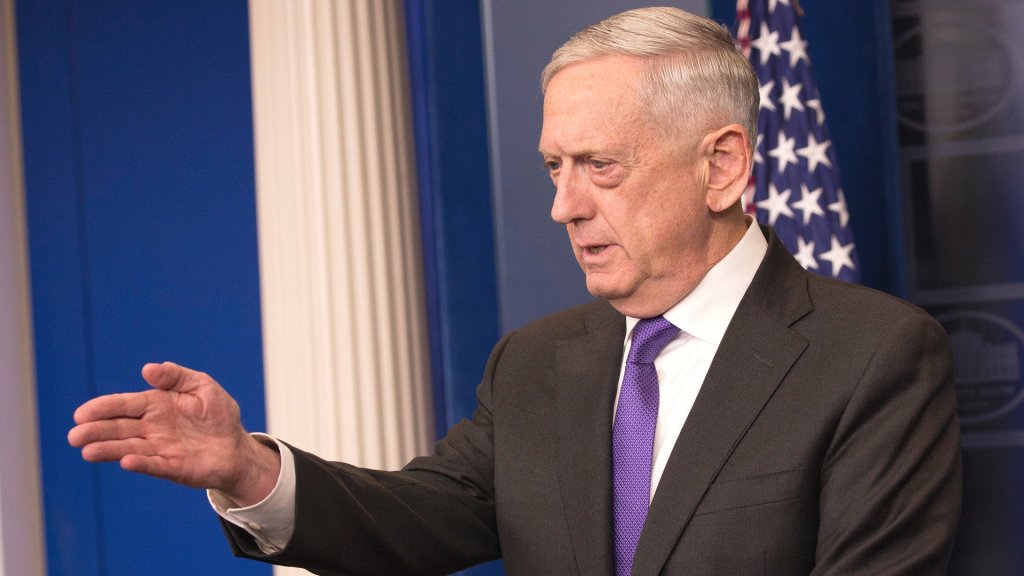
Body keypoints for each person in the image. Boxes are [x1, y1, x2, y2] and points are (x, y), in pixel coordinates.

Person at [68, 7, 961, 576]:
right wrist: (250, 470)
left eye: (600, 166)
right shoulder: (534, 363)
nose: (564, 205)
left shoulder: (872, 356)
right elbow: (417, 521)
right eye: (553, 167)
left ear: (721, 165)